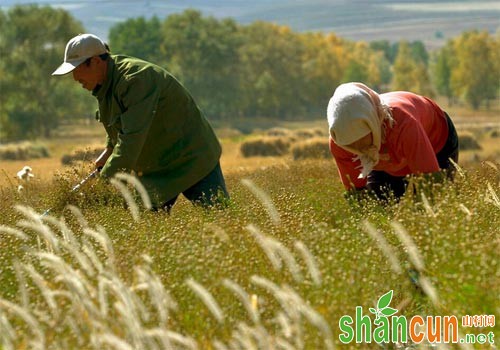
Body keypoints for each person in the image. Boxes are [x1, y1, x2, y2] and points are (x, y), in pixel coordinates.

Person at [52, 33, 229, 211]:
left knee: (222, 219)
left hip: (191, 156)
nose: (75, 77)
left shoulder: (135, 80)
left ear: (96, 61)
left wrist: (100, 186)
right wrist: (108, 151)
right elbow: (119, 122)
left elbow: (131, 140)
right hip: (155, 169)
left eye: (77, 69)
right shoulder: (103, 83)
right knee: (143, 228)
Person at [327, 82, 459, 201]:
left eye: (362, 139)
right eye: (351, 145)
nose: (358, 148)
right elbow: (357, 195)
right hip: (390, 156)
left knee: (432, 204)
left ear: (373, 124)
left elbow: (430, 181)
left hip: (436, 143)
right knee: (377, 207)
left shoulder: (403, 124)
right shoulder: (339, 142)